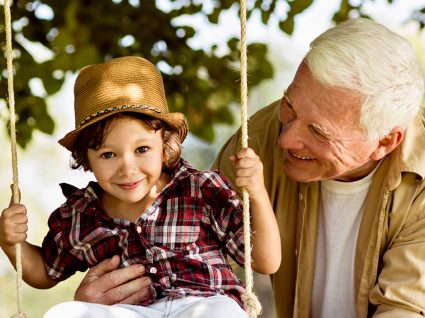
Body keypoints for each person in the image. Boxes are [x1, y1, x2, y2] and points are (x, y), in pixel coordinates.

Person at [67, 18, 425, 317]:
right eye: (290, 105)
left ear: (384, 142)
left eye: (318, 131)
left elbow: (405, 310)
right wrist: (101, 309)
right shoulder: (259, 137)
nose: (285, 140)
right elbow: (180, 248)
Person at [0, 56, 281, 318]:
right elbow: (45, 272)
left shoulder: (199, 189)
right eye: (108, 154)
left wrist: (256, 192)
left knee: (224, 313)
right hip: (133, 312)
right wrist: (12, 243)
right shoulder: (81, 214)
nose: (127, 168)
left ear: (165, 146)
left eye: (142, 149)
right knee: (63, 314)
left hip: (203, 303)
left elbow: (265, 261)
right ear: (86, 158)